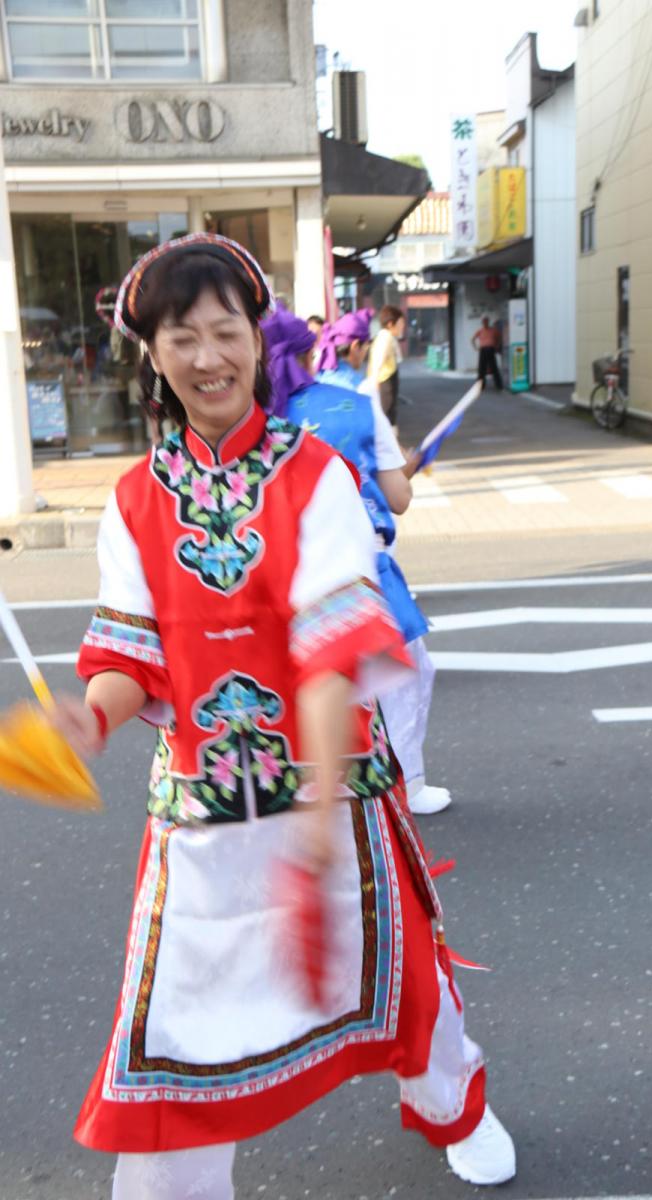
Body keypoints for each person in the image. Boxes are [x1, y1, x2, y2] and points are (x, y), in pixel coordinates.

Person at [46, 234, 514, 1198]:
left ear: (259, 347)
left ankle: (450, 1107)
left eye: (227, 332)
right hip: (204, 807)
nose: (208, 356)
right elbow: (131, 648)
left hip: (334, 791)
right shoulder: (133, 502)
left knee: (402, 982)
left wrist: (314, 805)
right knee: (183, 1009)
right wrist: (89, 720)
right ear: (155, 354)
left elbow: (334, 640)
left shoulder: (315, 475)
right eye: (185, 337)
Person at [314, 308, 453, 817]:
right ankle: (408, 783)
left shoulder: (270, 410)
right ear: (356, 350)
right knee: (407, 669)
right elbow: (397, 497)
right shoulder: (358, 401)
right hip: (363, 564)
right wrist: (411, 464)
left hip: (289, 568)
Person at [368, 304, 405, 431]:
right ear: (390, 324)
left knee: (389, 414)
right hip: (385, 382)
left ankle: (394, 445)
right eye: (400, 323)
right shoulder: (385, 337)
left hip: (386, 381)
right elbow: (378, 361)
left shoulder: (385, 336)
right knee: (387, 415)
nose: (402, 327)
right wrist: (375, 382)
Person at [472, 316, 503, 391]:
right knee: (481, 368)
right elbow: (472, 339)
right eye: (484, 322)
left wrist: (497, 346)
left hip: (491, 349)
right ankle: (480, 386)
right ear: (482, 323)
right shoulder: (480, 331)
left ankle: (498, 385)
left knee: (494, 367)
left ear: (488, 322)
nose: (485, 323)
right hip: (483, 349)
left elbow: (500, 338)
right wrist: (475, 348)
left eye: (486, 321)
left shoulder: (493, 330)